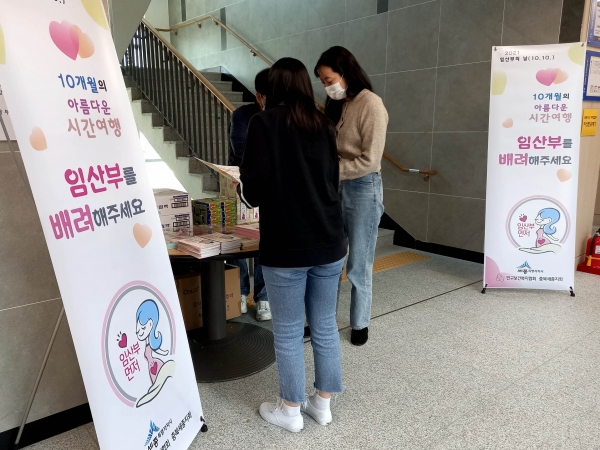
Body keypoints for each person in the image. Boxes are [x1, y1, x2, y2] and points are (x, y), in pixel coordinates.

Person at [239, 57, 347, 433]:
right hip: (330, 240)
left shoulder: (264, 122)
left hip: (286, 244)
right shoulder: (324, 124)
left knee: (287, 330)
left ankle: (290, 411)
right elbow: (333, 181)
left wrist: (240, 186)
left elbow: (253, 192)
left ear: (273, 88)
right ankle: (322, 405)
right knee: (325, 325)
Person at [314, 46, 388, 346]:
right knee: (330, 260)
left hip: (362, 188)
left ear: (346, 73)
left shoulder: (371, 104)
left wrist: (332, 171)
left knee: (358, 262)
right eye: (322, 81)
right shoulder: (337, 104)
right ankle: (322, 321)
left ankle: (360, 323)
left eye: (329, 79)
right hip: (336, 187)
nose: (326, 86)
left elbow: (370, 159)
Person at [228, 68, 271, 321]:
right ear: (259, 96)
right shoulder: (243, 115)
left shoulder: (281, 115)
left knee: (264, 237)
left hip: (270, 187)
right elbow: (240, 148)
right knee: (239, 237)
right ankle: (240, 291)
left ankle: (263, 296)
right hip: (241, 183)